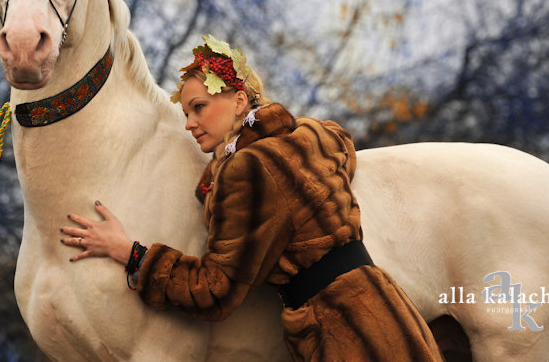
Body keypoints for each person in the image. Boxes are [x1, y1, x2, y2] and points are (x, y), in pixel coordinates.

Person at [61, 35, 443, 361]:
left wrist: (132, 254)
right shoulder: (307, 135)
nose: (189, 123)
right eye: (186, 112)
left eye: (199, 107)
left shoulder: (248, 171)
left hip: (347, 333)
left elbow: (213, 291)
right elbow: (342, 143)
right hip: (386, 307)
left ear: (240, 101)